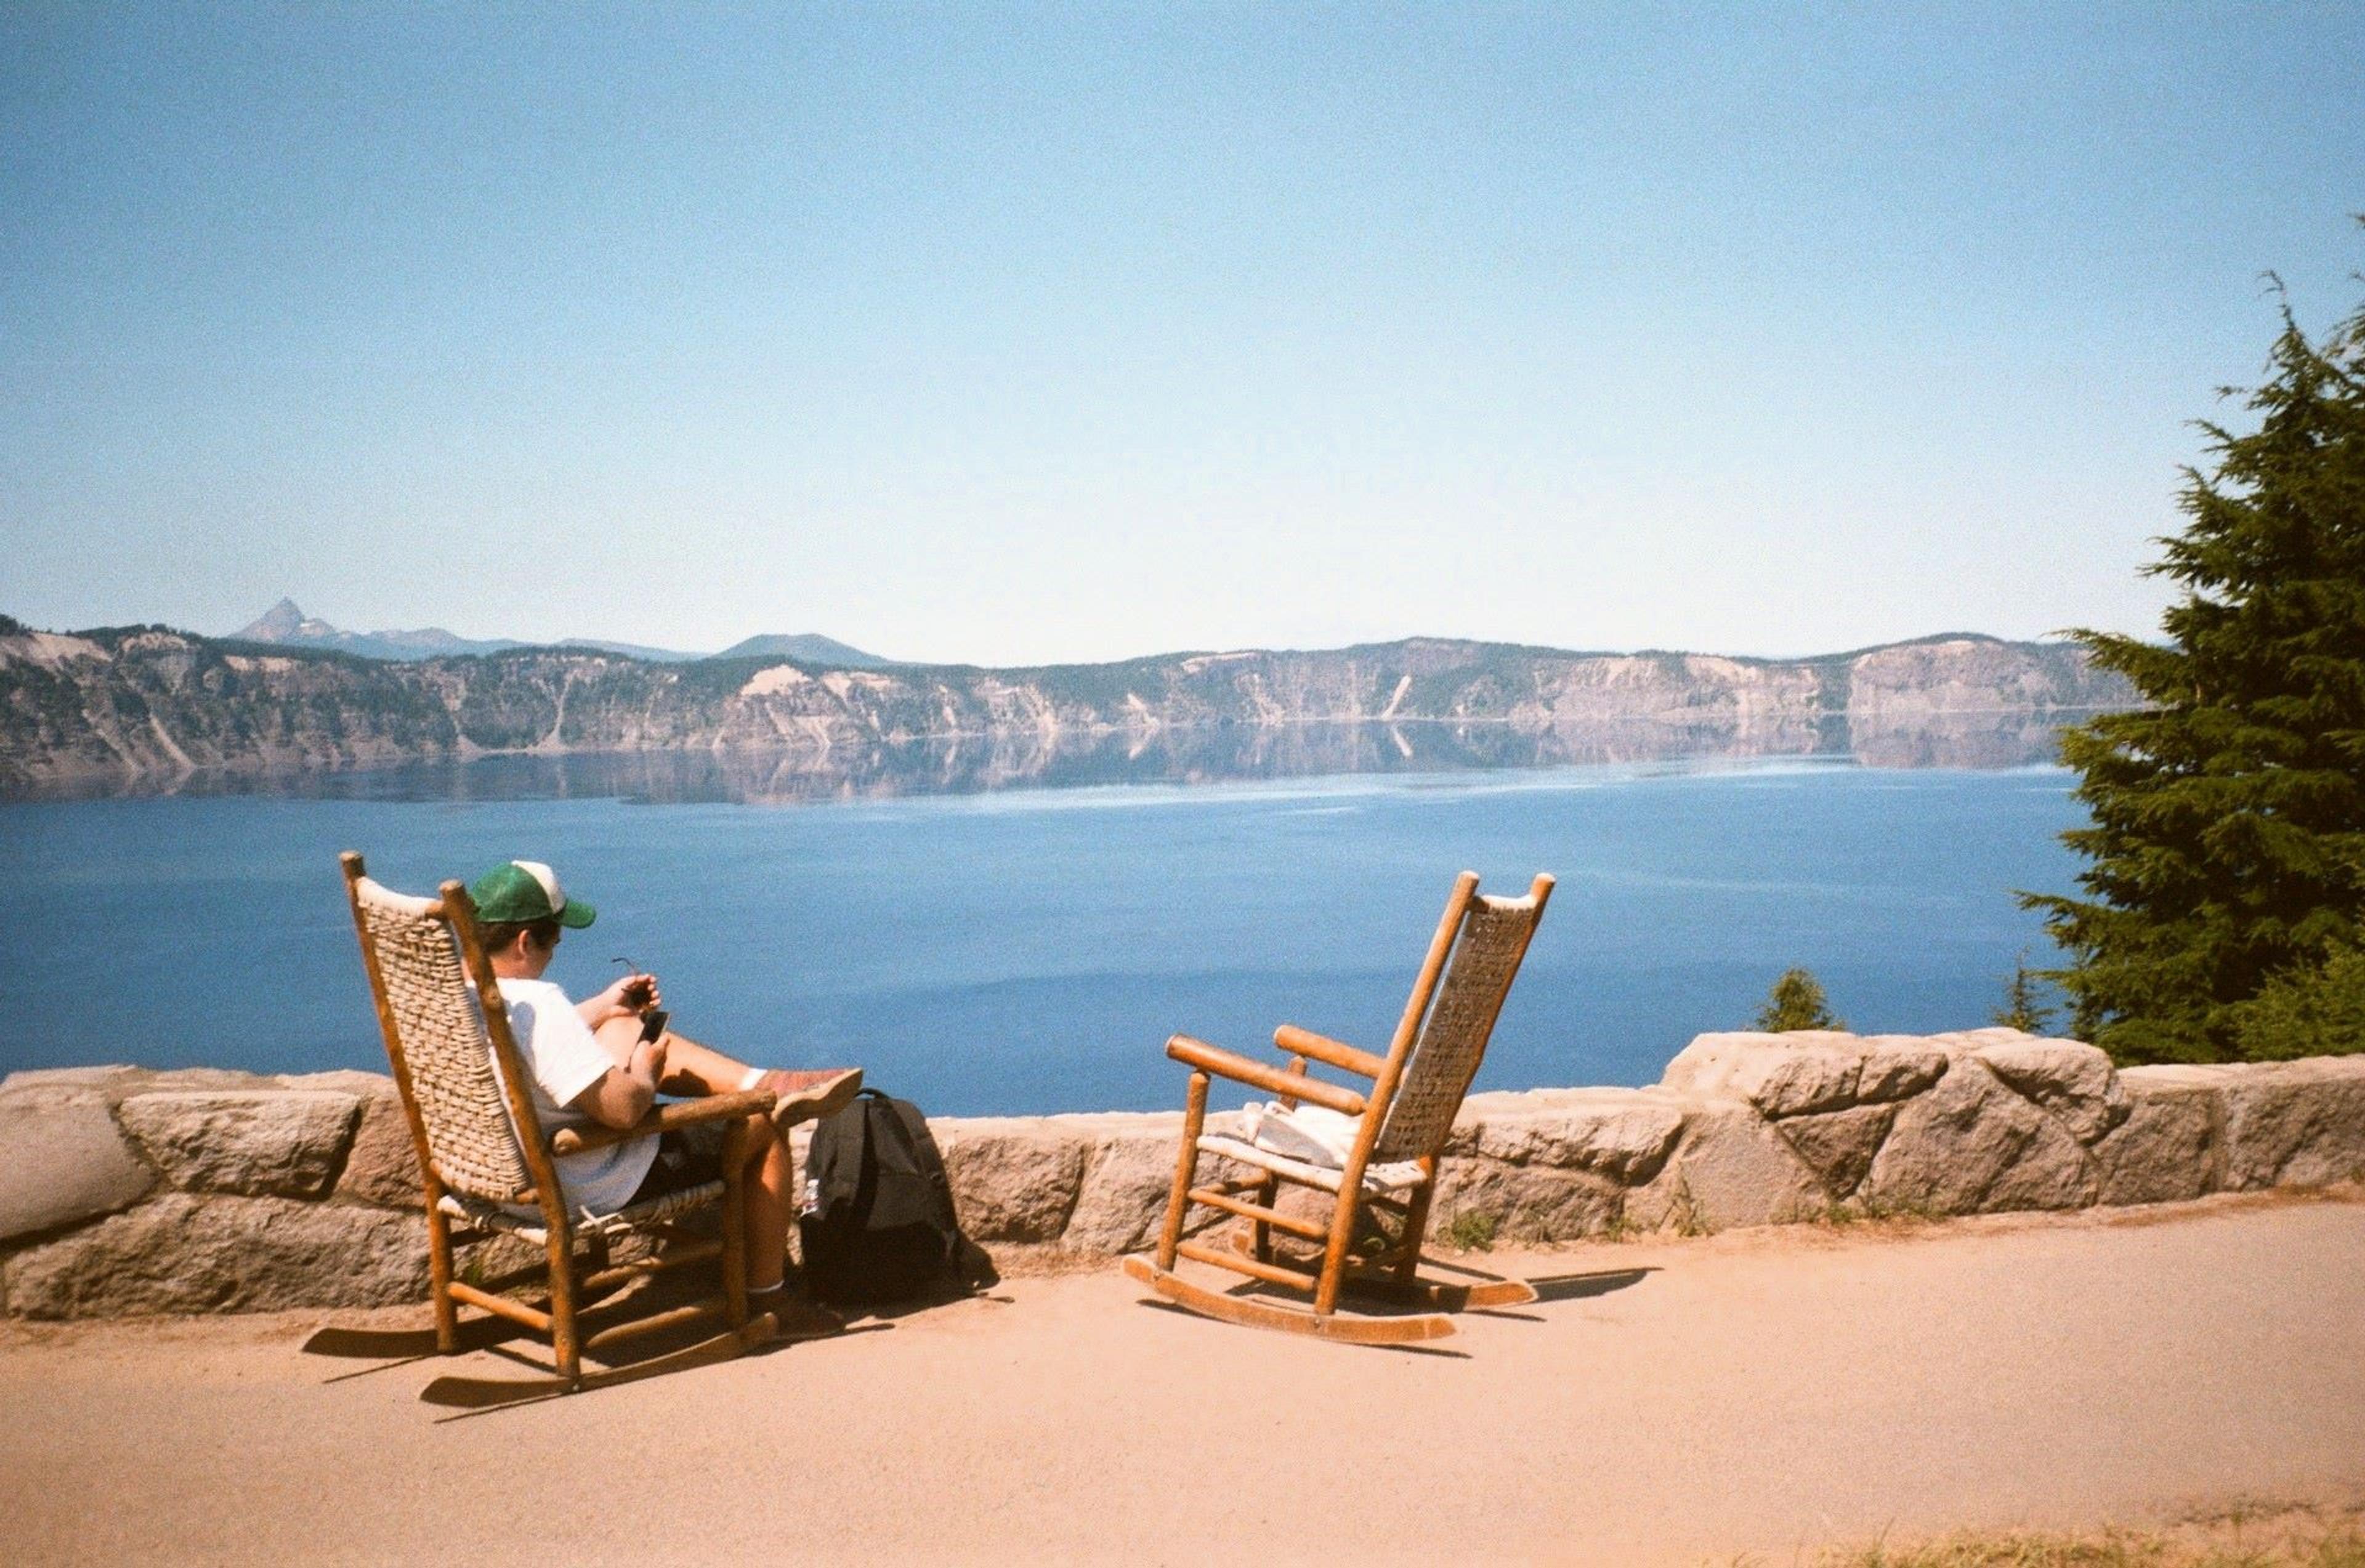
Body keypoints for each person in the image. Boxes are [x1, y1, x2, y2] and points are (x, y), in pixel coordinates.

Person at [467, 858, 861, 1327]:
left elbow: (523, 1045)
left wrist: (605, 1006)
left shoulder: (460, 999)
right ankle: (768, 1301)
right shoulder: (540, 1006)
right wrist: (644, 1070)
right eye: (554, 938)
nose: (556, 950)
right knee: (765, 1119)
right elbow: (624, 1111)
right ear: (524, 941)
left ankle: (763, 1081)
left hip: (497, 1182)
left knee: (623, 1023)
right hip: (582, 1181)